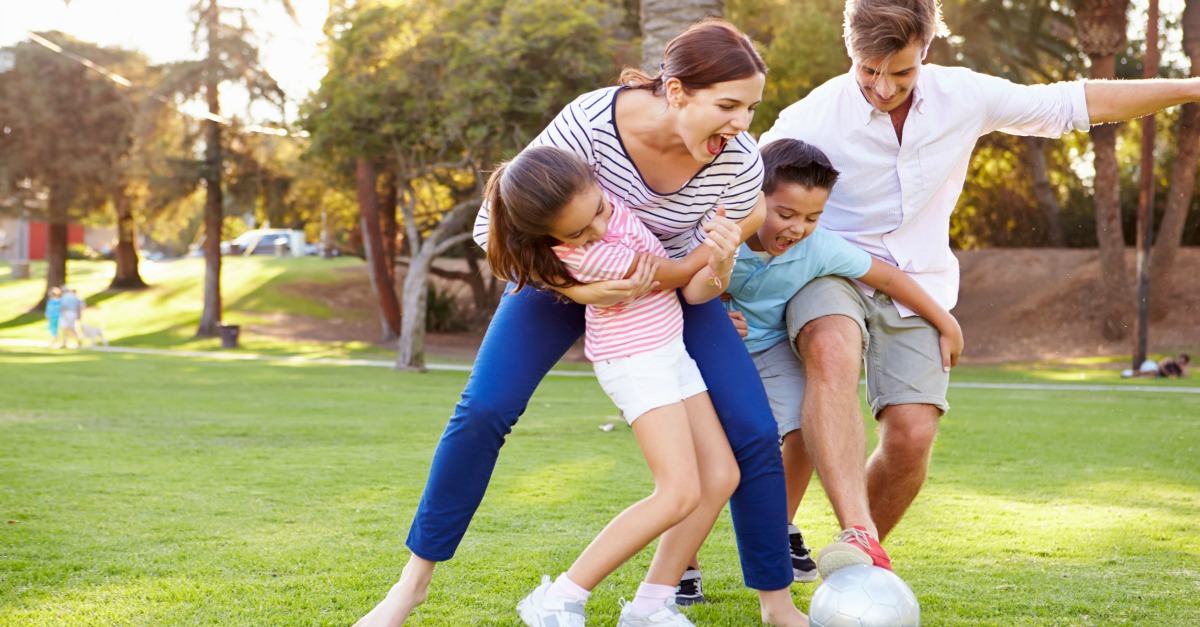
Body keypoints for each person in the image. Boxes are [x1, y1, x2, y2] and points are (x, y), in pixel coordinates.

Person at [356, 20, 808, 627]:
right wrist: (582, 288)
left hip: (663, 289)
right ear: (675, 91)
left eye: (751, 108)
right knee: (485, 409)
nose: (741, 125)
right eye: (727, 106)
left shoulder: (738, 162)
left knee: (752, 433)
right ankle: (410, 587)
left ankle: (768, 608)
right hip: (559, 278)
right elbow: (493, 229)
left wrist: (704, 267)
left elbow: (723, 240)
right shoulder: (591, 124)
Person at [756, 0, 1200, 576]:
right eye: (868, 70)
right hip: (831, 271)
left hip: (919, 282)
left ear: (928, 51)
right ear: (850, 50)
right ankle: (860, 534)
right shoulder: (809, 118)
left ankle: (851, 569)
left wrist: (1192, 86)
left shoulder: (962, 95)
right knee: (829, 345)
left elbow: (1076, 102)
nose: (884, 87)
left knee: (912, 435)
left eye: (902, 71)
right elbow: (742, 187)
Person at [678, 138, 963, 599]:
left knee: (807, 428)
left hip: (771, 353)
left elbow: (887, 277)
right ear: (753, 198)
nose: (797, 228)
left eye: (812, 218)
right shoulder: (714, 232)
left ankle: (778, 527)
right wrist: (713, 314)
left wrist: (945, 322)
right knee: (706, 458)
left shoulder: (819, 249)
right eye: (785, 214)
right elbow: (676, 288)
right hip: (711, 352)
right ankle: (682, 563)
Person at [485, 145, 740, 626]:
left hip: (670, 349)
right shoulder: (595, 258)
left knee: (721, 476)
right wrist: (737, 227)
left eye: (599, 211)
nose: (598, 230)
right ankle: (559, 597)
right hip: (635, 360)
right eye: (577, 232)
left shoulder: (603, 198)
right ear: (550, 236)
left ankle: (649, 607)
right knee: (679, 491)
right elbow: (681, 272)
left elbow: (677, 266)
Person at [1122, 354, 1191, 379]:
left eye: (1183, 362)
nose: (1180, 362)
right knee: (1153, 372)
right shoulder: (1169, 360)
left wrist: (1184, 367)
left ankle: (1129, 376)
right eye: (1180, 360)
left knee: (1152, 376)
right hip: (1152, 365)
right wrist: (1168, 374)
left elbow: (1185, 376)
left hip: (1157, 374)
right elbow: (1159, 366)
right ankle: (1127, 373)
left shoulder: (1179, 370)